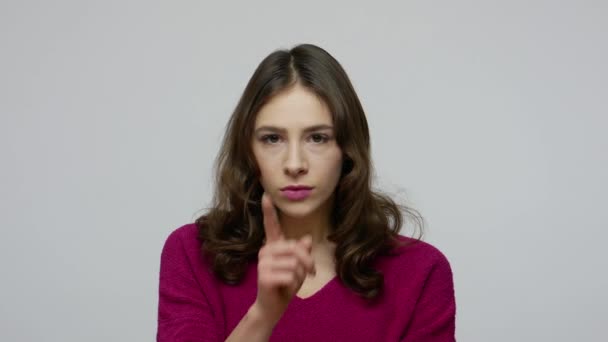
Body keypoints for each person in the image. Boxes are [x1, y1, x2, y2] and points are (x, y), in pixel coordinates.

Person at [157, 43, 456, 341]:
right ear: (249, 151)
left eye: (317, 138)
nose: (295, 164)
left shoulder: (421, 272)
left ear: (347, 149)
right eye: (273, 138)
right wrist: (262, 316)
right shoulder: (193, 254)